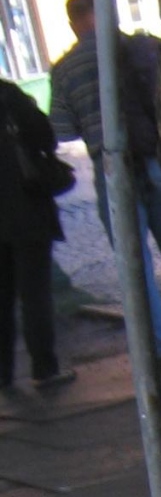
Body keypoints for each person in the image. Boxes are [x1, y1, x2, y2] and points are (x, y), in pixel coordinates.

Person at [49, 0, 161, 358]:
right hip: (157, 160)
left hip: (112, 171)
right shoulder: (143, 47)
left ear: (73, 23)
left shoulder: (66, 69)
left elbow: (63, 130)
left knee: (137, 269)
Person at [0, 79, 75, 394]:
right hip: (25, 209)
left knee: (1, 300)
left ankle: (3, 374)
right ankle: (44, 368)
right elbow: (45, 136)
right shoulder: (8, 96)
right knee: (34, 294)